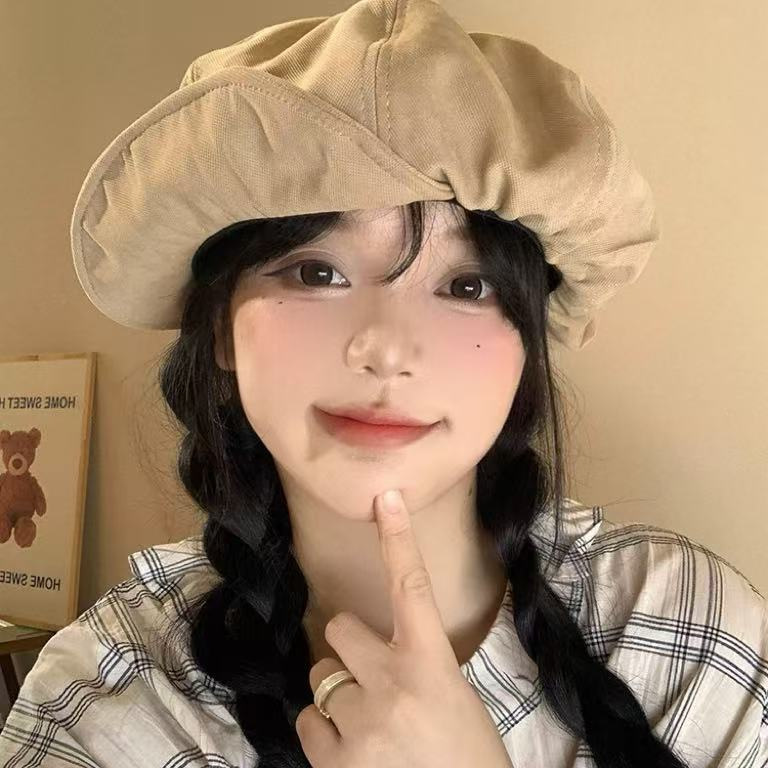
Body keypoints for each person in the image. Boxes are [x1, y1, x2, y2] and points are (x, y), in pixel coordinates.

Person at [2, 0, 766, 766]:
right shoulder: (106, 697)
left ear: (527, 349)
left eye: (467, 286)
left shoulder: (687, 631)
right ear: (222, 330)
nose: (386, 349)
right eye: (316, 273)